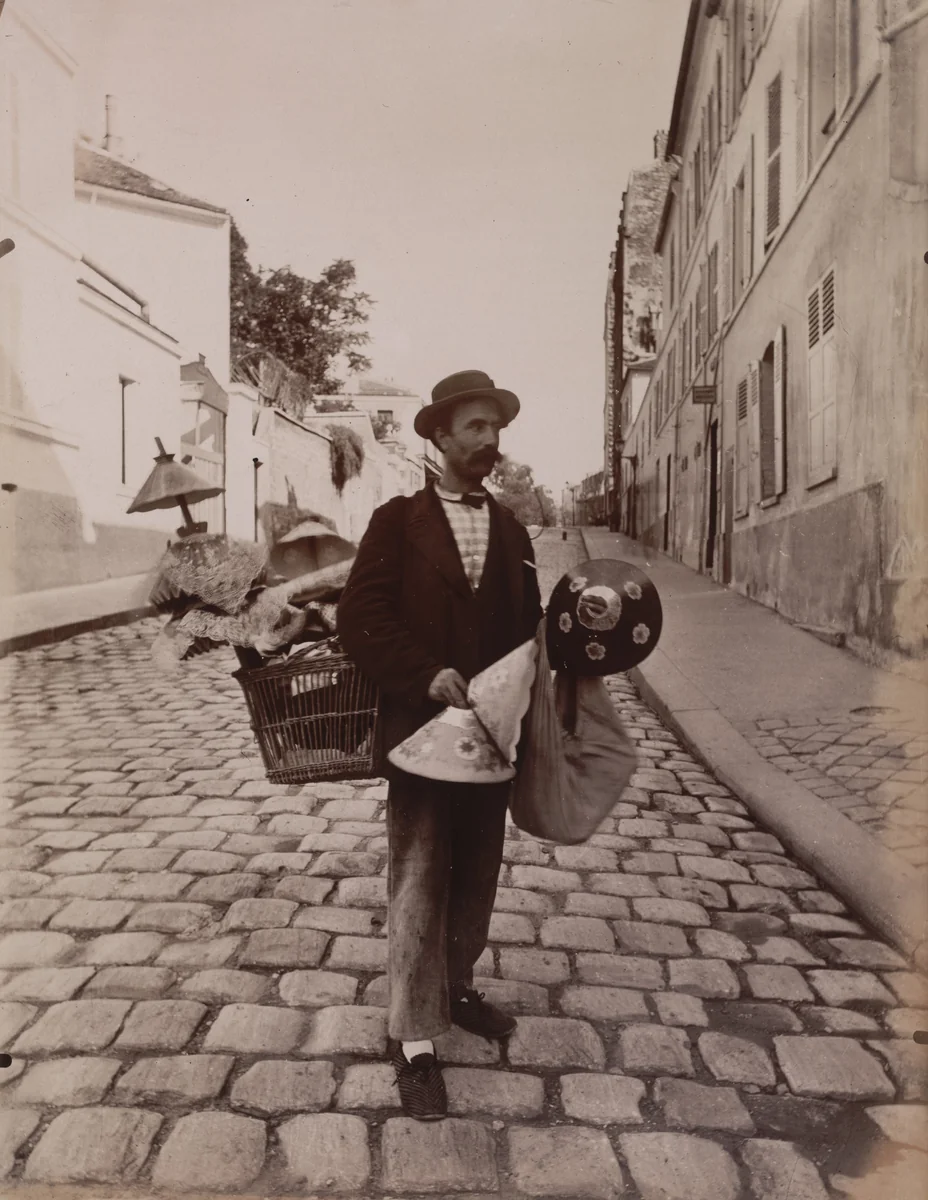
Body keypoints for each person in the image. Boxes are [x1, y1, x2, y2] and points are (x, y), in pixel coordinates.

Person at [337, 369, 542, 1120]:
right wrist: (423, 674)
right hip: (421, 736)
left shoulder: (514, 529)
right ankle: (414, 1042)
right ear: (439, 435)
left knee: (479, 875)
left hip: (490, 741)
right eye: (476, 428)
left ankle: (453, 988)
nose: (490, 442)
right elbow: (360, 618)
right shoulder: (397, 521)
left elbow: (529, 634)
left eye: (496, 429)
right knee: (421, 876)